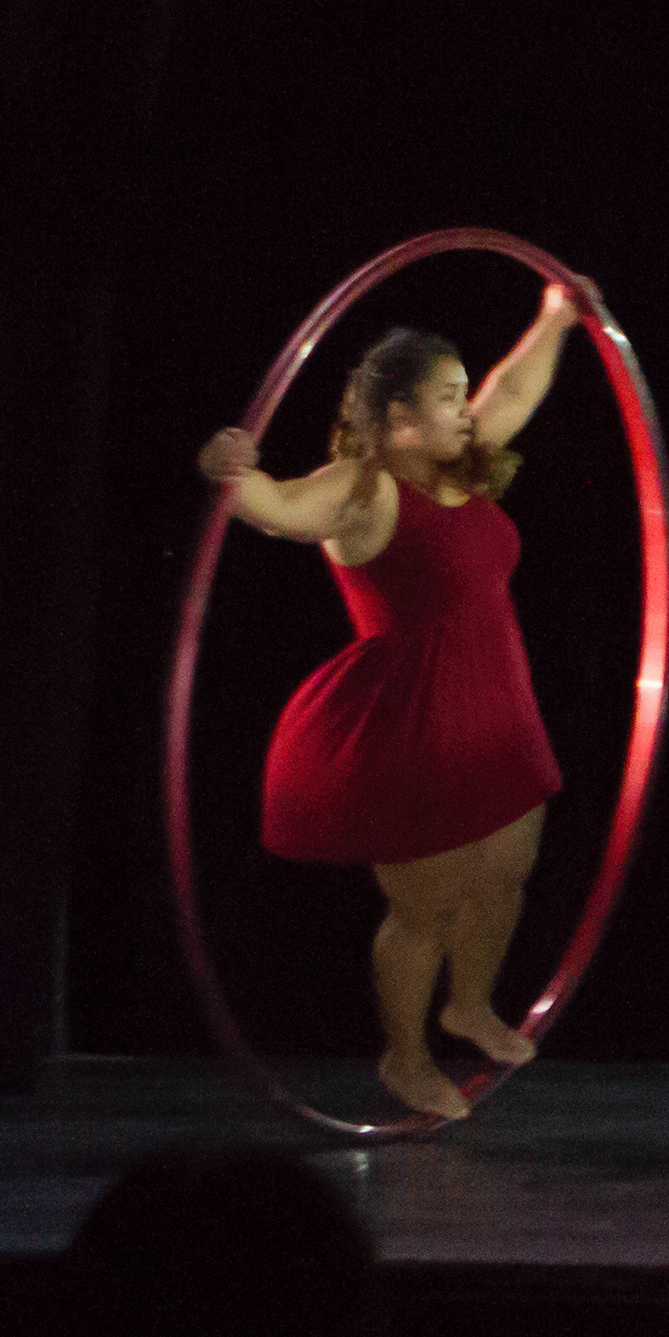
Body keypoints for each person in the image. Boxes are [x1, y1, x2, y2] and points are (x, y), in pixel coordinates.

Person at [198, 286, 594, 1120]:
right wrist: (232, 475)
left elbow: (516, 388)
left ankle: (469, 1006)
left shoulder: (462, 463)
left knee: (505, 878)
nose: (466, 409)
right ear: (401, 417)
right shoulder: (362, 488)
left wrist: (558, 314)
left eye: (461, 394)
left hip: (497, 706)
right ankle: (405, 1059)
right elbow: (280, 510)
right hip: (414, 722)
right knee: (426, 906)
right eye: (447, 397)